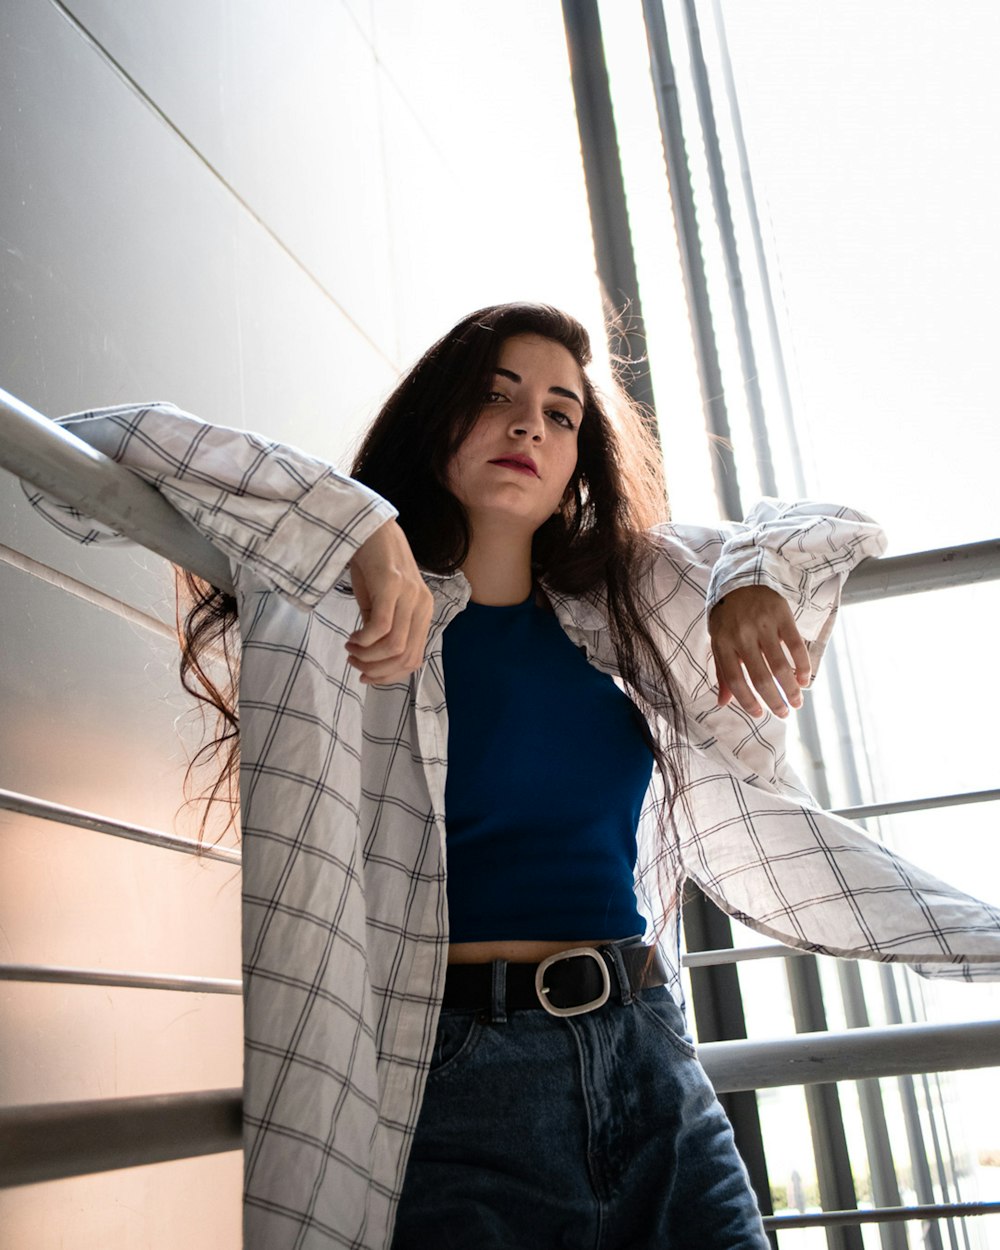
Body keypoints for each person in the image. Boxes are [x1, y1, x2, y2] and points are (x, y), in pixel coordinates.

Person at [22, 302, 1000, 1250]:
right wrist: (359, 527)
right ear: (437, 417)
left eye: (561, 411)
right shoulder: (329, 600)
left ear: (581, 458)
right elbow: (94, 441)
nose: (529, 421)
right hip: (451, 1082)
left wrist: (748, 576)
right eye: (497, 394)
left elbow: (827, 524)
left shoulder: (631, 605)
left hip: (652, 1061)